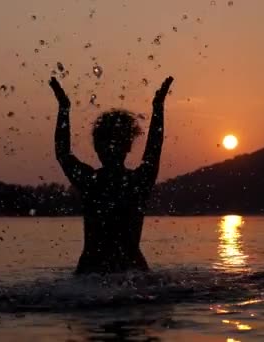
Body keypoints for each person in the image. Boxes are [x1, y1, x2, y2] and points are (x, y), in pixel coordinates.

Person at [49, 76, 174, 274]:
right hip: (132, 274)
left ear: (97, 147)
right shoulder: (137, 181)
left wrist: (64, 108)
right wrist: (158, 108)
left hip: (91, 274)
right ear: (129, 146)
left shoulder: (91, 181)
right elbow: (154, 148)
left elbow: (62, 153)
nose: (110, 149)